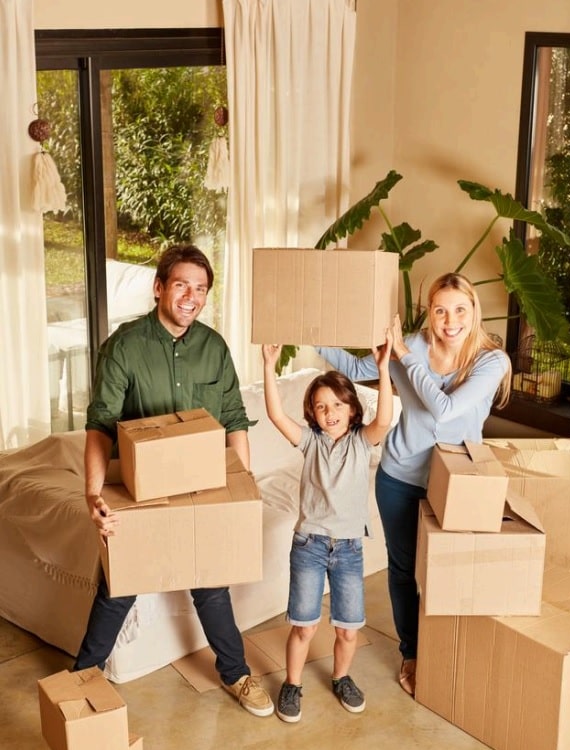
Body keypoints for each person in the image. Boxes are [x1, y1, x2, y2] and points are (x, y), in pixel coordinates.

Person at [75, 243, 274, 718]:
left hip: (202, 486)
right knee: (119, 584)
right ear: (160, 287)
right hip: (140, 489)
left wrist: (241, 491)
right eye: (182, 284)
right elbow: (101, 424)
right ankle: (82, 679)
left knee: (210, 582)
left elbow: (234, 422)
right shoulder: (125, 345)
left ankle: (235, 673)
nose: (191, 296)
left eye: (201, 288)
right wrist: (93, 494)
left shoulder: (213, 348)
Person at [315, 272, 511, 699]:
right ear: (428, 313)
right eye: (440, 310)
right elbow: (351, 367)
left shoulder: (490, 361)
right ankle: (412, 652)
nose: (450, 320)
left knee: (451, 575)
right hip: (400, 478)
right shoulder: (416, 344)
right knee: (404, 571)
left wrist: (404, 354)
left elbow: (444, 411)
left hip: (457, 485)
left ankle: (453, 653)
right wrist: (305, 331)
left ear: (474, 311)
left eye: (460, 309)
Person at [262, 327, 393, 723]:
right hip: (310, 545)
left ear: (352, 409)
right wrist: (268, 365)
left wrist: (384, 369)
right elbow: (274, 414)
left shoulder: (360, 442)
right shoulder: (311, 442)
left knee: (348, 630)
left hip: (350, 549)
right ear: (312, 415)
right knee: (303, 626)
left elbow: (384, 419)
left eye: (337, 405)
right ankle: (292, 684)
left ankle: (342, 678)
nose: (330, 412)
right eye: (320, 407)